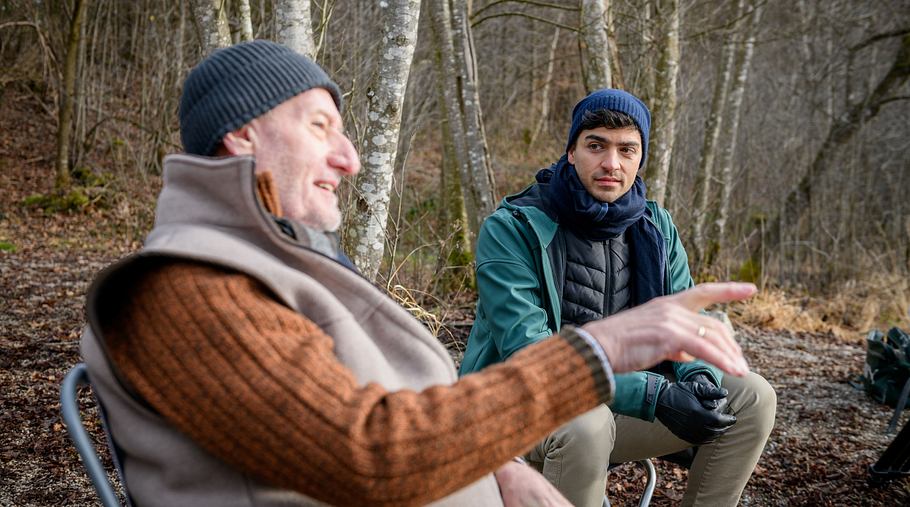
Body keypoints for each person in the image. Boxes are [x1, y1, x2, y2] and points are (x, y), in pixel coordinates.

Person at [79, 41, 754, 507]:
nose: (350, 157)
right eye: (321, 126)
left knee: (750, 395)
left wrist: (499, 468)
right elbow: (371, 455)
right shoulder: (185, 288)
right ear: (243, 136)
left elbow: (379, 404)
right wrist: (601, 351)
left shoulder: (275, 264)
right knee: (584, 428)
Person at [460, 89, 777, 506]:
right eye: (596, 146)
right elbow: (530, 354)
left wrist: (697, 376)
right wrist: (654, 395)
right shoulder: (513, 228)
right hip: (518, 408)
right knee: (585, 424)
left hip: (617, 405)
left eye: (627, 149)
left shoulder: (656, 226)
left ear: (640, 158)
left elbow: (686, 324)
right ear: (571, 152)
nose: (612, 163)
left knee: (751, 397)